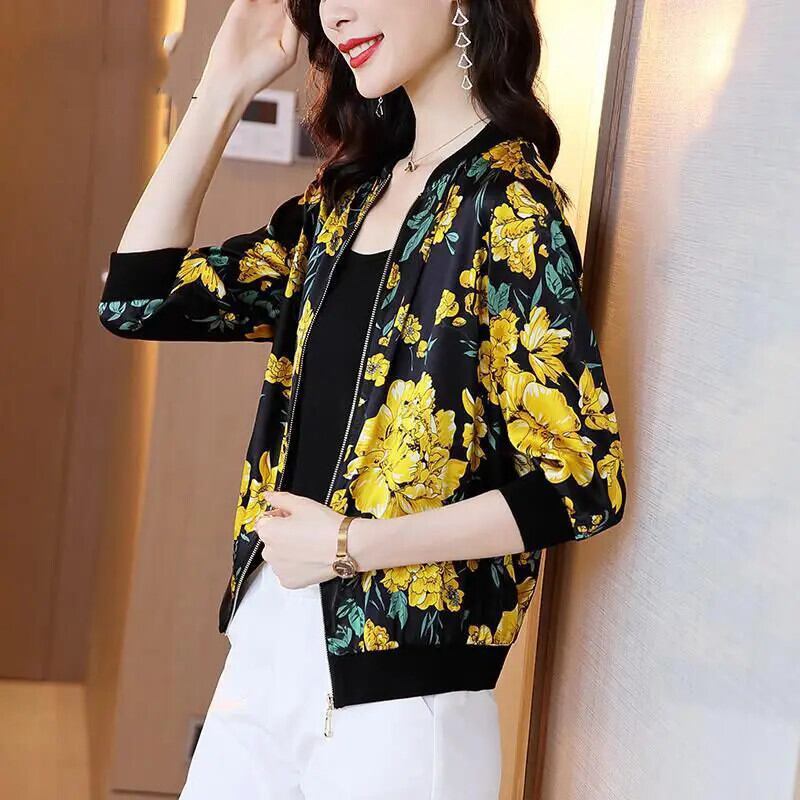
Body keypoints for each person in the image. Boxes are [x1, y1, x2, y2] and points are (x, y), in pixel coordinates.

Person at [98, 0, 628, 797]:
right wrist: (221, 89)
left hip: (402, 702)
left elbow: (582, 483)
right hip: (265, 651)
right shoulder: (343, 201)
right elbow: (138, 300)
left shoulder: (509, 207)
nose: (337, 13)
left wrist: (350, 544)